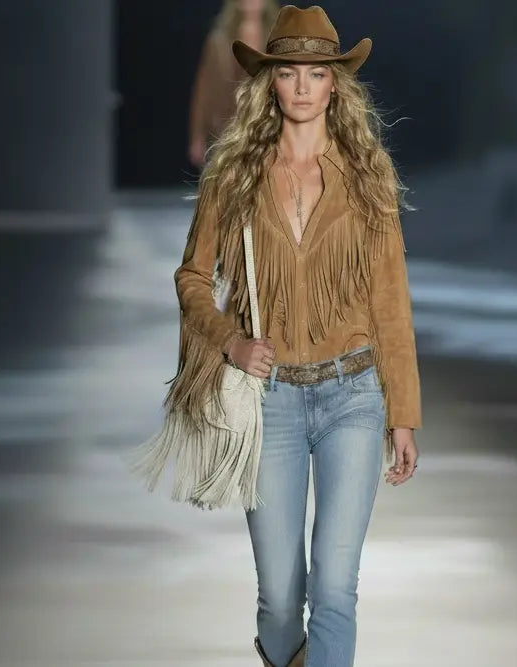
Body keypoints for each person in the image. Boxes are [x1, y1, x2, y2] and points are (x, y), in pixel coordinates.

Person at [172, 6, 420, 666]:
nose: (304, 86)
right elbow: (193, 277)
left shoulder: (367, 177)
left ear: (336, 85)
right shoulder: (235, 173)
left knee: (336, 591)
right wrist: (231, 342)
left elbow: (391, 300)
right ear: (269, 82)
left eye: (317, 73)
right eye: (290, 73)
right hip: (271, 399)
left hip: (354, 395)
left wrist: (403, 414)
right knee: (280, 600)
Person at [188, 0, 281, 167]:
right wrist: (197, 136)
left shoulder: (279, 37)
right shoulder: (219, 40)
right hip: (226, 129)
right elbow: (204, 89)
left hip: (269, 128)